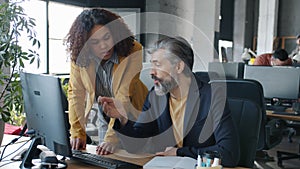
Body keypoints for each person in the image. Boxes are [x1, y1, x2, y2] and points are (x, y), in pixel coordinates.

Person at [98, 36, 240, 167]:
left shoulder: (213, 96)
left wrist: (180, 152)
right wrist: (122, 118)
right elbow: (136, 145)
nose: (151, 72)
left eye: (157, 65)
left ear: (178, 67)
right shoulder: (155, 96)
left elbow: (229, 153)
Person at [65, 8, 148, 154]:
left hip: (134, 114)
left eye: (107, 37)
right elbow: (75, 94)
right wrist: (77, 132)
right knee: (106, 157)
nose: (104, 46)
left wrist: (111, 138)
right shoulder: (80, 56)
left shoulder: (133, 50)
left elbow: (123, 96)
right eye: (95, 42)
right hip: (105, 114)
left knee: (135, 157)